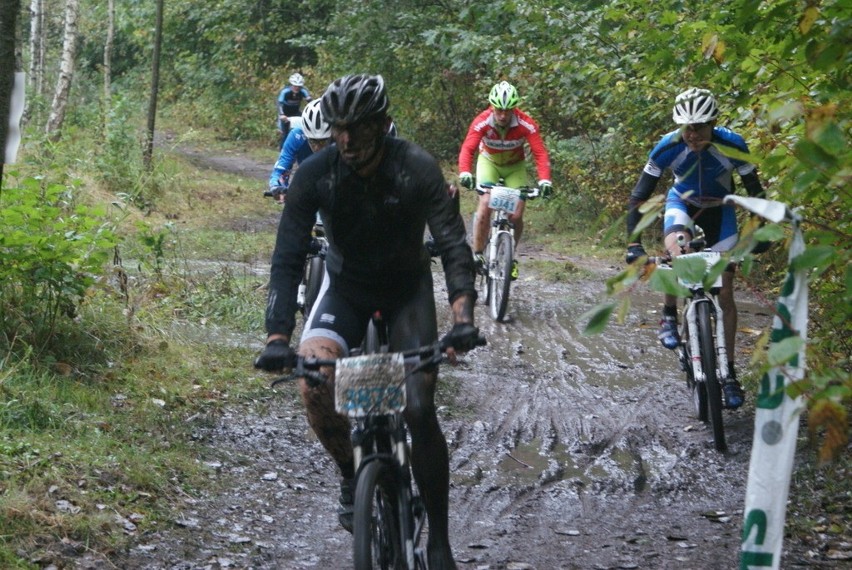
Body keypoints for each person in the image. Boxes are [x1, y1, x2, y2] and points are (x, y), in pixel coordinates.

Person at [254, 74, 480, 570]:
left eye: (356, 127)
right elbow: (288, 254)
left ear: (381, 124)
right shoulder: (316, 173)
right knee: (314, 384)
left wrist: (462, 316)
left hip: (406, 294)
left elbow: (451, 244)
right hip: (345, 290)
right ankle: (351, 476)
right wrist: (277, 336)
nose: (346, 140)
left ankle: (439, 541)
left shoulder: (414, 166)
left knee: (418, 407)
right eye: (338, 129)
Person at [624, 87, 768, 409]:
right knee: (678, 251)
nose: (692, 134)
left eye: (700, 126)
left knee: (726, 292)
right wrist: (633, 242)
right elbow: (639, 196)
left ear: (713, 122)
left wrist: (763, 231)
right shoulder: (667, 147)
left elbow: (755, 191)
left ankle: (729, 373)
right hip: (682, 205)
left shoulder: (733, 145)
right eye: (686, 127)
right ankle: (668, 313)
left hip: (721, 210)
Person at [458, 80, 553, 280]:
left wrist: (545, 181)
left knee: (516, 214)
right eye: (499, 110)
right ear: (492, 107)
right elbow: (468, 148)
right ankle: (477, 254)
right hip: (489, 163)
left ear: (514, 109)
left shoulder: (526, 123)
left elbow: (540, 153)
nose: (502, 115)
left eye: (507, 111)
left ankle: (510, 256)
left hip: (514, 167)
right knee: (485, 202)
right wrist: (465, 172)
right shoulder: (482, 121)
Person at [267, 99, 332, 203]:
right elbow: (282, 168)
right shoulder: (296, 135)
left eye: (324, 141)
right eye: (313, 141)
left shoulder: (343, 138)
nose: (317, 148)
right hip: (310, 185)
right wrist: (277, 187)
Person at [276, 72, 312, 147]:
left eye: (299, 86)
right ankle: (283, 150)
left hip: (296, 112)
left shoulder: (303, 91)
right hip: (285, 113)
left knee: (305, 127)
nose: (297, 88)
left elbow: (310, 102)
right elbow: (279, 103)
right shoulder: (285, 91)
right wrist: (282, 114)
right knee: (285, 133)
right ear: (291, 85)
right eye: (295, 86)